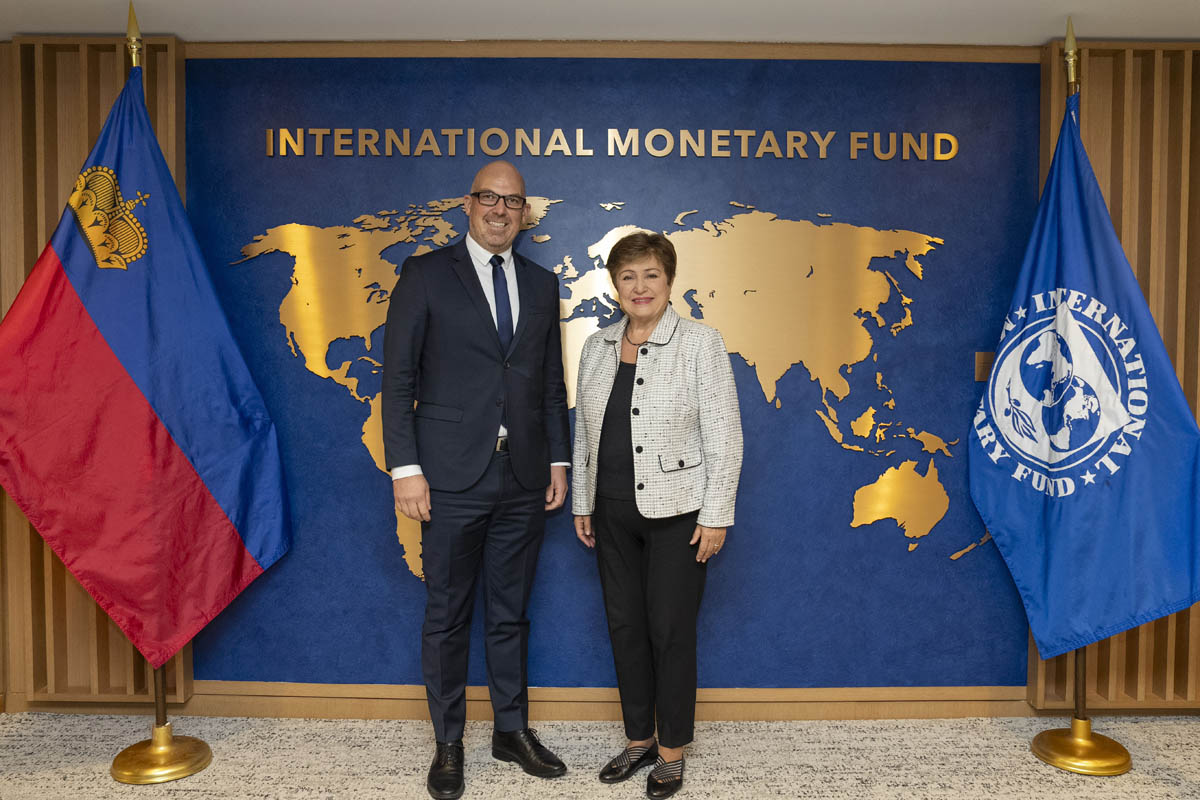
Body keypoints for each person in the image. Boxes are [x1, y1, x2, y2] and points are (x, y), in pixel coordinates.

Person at [382, 160, 571, 800]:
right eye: (489, 197)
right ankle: (449, 742)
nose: (500, 210)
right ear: (469, 205)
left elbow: (549, 385)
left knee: (511, 612)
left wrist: (558, 460)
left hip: (522, 477)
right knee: (447, 614)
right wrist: (406, 469)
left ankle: (510, 731)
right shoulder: (425, 275)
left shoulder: (543, 287)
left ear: (525, 213)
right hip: (448, 477)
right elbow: (399, 380)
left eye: (512, 202)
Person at [572, 232, 742, 799]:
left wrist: (715, 515)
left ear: (669, 281)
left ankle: (671, 751)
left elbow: (725, 436)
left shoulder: (700, 343)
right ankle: (639, 739)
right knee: (625, 629)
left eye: (650, 275)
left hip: (679, 514)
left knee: (669, 631)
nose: (639, 287)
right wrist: (583, 501)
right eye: (628, 277)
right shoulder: (596, 347)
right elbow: (583, 435)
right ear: (614, 285)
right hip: (612, 511)